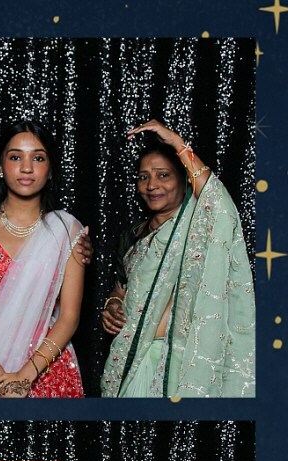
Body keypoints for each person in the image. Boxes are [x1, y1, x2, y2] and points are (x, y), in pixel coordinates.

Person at [101, 120, 255, 399]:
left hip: (182, 363)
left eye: (163, 175)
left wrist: (177, 143)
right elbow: (121, 288)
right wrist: (112, 303)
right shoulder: (133, 235)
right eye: (143, 177)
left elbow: (220, 205)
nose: (152, 185)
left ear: (184, 179)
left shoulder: (200, 228)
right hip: (131, 360)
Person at [0, 118, 90, 398]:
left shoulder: (66, 229)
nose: (26, 168)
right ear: (0, 167)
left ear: (50, 170)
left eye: (38, 158)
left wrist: (25, 376)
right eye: (15, 157)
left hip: (45, 363)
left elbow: (69, 317)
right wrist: (0, 378)